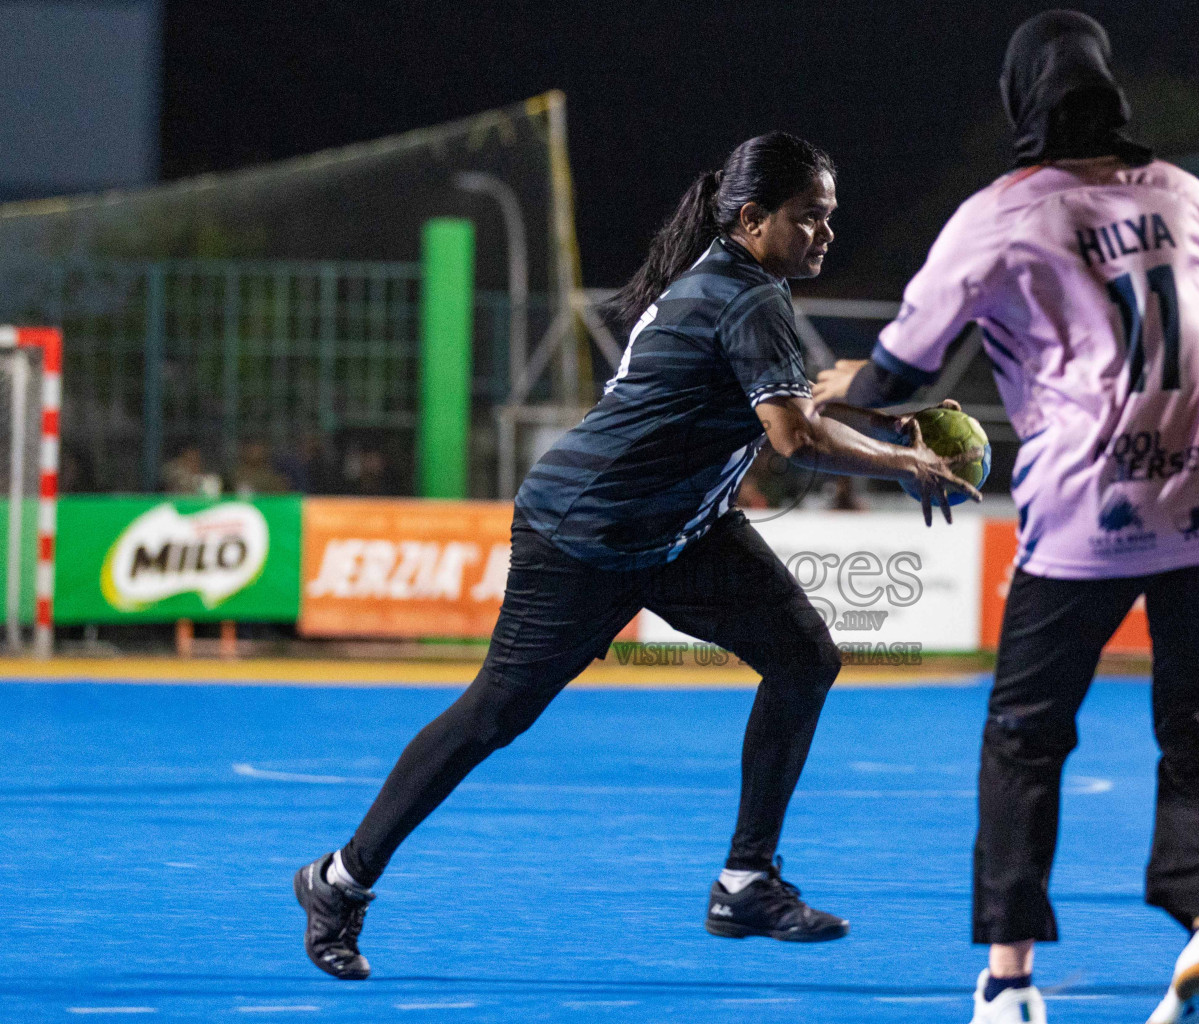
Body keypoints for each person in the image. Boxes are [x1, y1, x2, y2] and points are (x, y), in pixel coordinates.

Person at [293, 131, 980, 980]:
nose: (826, 234)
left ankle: (746, 881)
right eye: (810, 218)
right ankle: (339, 880)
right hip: (583, 535)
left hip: (678, 532)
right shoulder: (745, 298)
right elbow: (793, 435)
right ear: (752, 218)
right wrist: (903, 461)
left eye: (830, 218)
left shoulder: (738, 286)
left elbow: (774, 402)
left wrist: (879, 421)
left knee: (805, 659)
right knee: (494, 715)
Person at [815, 13, 1199, 1023]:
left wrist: (836, 387)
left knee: (1025, 736)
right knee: (1198, 722)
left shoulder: (999, 217)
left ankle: (1010, 981)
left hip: (1090, 503)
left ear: (1025, 105)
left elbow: (902, 370)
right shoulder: (1187, 196)